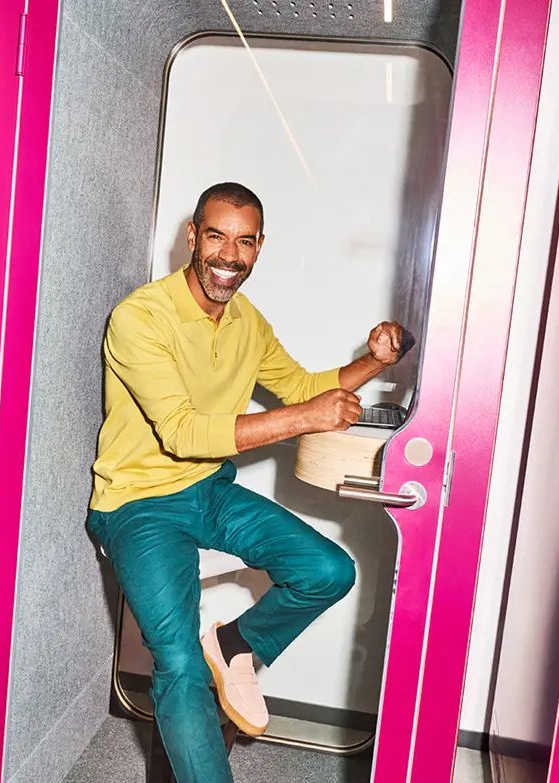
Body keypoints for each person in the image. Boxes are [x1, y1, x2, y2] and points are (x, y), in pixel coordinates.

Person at [88, 182, 405, 783]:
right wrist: (304, 420)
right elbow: (183, 432)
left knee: (327, 571)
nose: (228, 256)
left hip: (206, 490)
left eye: (244, 242)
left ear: (260, 247)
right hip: (136, 502)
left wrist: (374, 362)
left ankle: (236, 643)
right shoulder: (140, 317)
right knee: (178, 662)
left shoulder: (245, 322)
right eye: (216, 237)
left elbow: (302, 388)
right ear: (192, 237)